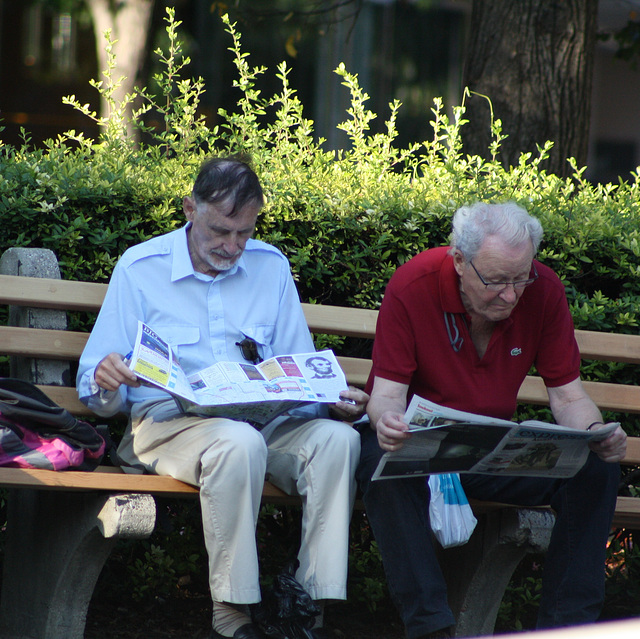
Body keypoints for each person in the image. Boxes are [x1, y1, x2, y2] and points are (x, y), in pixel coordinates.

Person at [77, 156, 368, 639]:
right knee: (237, 442)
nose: (232, 247)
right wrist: (107, 379)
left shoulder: (270, 268)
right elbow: (94, 381)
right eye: (219, 231)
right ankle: (232, 614)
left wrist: (330, 399)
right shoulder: (140, 268)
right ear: (190, 208)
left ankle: (308, 608)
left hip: (263, 424)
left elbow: (299, 366)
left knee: (339, 441)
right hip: (169, 426)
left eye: (244, 233)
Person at [356, 202, 627, 639]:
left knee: (594, 468)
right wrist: (388, 422)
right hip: (421, 448)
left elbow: (568, 395)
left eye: (521, 277)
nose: (511, 294)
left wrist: (595, 433)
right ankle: (431, 629)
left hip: (491, 451)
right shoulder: (414, 283)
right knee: (376, 460)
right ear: (459, 260)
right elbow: (387, 395)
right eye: (496, 280)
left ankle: (568, 627)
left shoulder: (543, 288)